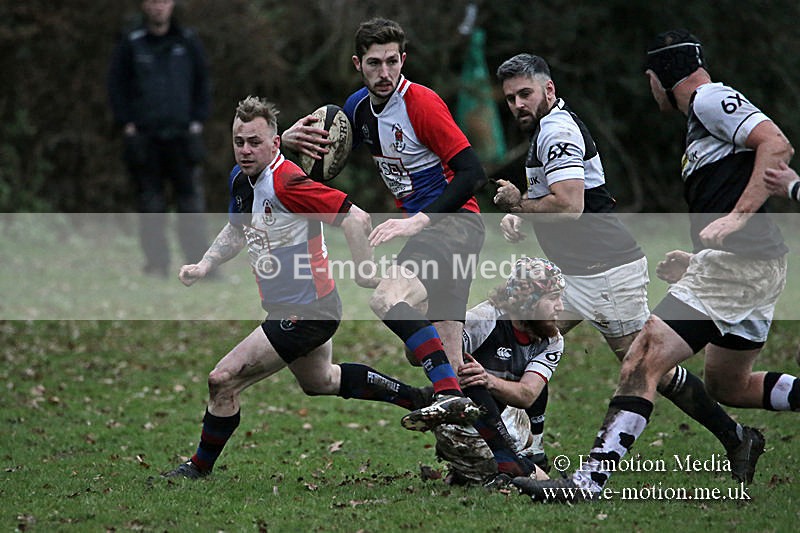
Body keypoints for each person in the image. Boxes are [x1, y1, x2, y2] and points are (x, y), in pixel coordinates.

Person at [512, 30, 798, 502]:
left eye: (649, 82)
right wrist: (702, 253)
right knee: (729, 384)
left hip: (740, 263)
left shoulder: (708, 99)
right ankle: (737, 438)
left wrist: (734, 221)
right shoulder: (700, 121)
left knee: (643, 357)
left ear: (658, 78)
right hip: (751, 264)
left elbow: (777, 146)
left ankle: (587, 483)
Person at [282, 19, 535, 479]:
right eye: (374, 63)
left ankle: (445, 395)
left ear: (404, 60)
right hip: (440, 233)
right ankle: (514, 464)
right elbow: (315, 166)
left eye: (392, 61)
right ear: (358, 64)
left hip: (452, 226)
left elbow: (470, 172)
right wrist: (286, 141)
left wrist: (420, 219)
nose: (384, 72)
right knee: (453, 360)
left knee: (386, 298)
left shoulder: (420, 103)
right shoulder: (357, 111)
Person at [162, 96, 444, 479]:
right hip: (296, 307)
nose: (245, 150)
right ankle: (419, 398)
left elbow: (355, 217)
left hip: (308, 311)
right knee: (321, 380)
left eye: (255, 142)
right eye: (239, 141)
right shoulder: (241, 179)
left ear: (275, 143)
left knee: (222, 379)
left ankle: (198, 468)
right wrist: (205, 263)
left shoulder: (287, 182)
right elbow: (235, 229)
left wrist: (365, 272)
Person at [430, 257, 565, 485]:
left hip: (508, 420)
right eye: (553, 298)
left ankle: (521, 457)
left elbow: (527, 395)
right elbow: (422, 356)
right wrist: (426, 327)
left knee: (534, 385)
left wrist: (487, 379)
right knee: (531, 477)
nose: (561, 306)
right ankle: (484, 465)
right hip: (465, 416)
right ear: (529, 301)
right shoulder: (484, 319)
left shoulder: (552, 340)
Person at [108, 0, 210, 277]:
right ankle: (156, 265)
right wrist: (127, 124)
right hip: (145, 139)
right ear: (144, 6)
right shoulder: (132, 43)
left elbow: (203, 83)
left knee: (191, 205)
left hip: (182, 138)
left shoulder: (187, 42)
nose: (158, 7)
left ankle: (199, 266)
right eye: (152, 2)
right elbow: (116, 86)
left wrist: (197, 121)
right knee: (150, 206)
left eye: (163, 1)